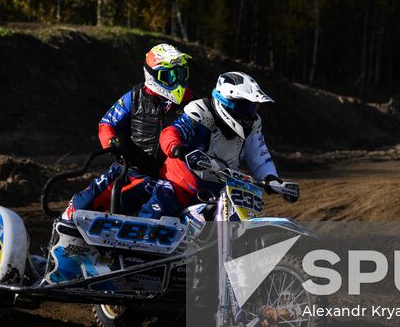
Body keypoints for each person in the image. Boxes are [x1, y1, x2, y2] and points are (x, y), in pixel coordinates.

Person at [44, 43, 190, 284]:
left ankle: (136, 266)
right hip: (128, 169)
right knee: (81, 203)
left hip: (165, 179)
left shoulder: (191, 105)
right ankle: (56, 254)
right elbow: (106, 123)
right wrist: (112, 141)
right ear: (152, 76)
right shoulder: (134, 97)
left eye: (181, 74)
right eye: (170, 75)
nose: (177, 81)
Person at [141, 70, 299, 221]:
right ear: (224, 101)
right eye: (243, 107)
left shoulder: (254, 124)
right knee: (161, 204)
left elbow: (259, 155)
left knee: (240, 219)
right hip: (181, 184)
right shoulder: (201, 112)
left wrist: (273, 180)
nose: (249, 115)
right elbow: (171, 132)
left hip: (222, 189)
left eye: (253, 108)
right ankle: (133, 243)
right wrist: (179, 149)